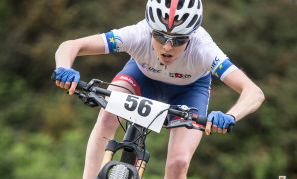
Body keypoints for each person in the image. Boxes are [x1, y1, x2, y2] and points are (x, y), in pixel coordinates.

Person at [53, 0, 265, 178]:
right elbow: (70, 46)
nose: (167, 47)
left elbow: (253, 92)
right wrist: (64, 68)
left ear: (191, 35)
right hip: (142, 77)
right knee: (108, 115)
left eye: (179, 40)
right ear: (150, 29)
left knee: (179, 162)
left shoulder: (204, 49)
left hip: (188, 91)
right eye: (160, 36)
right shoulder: (137, 34)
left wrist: (231, 116)